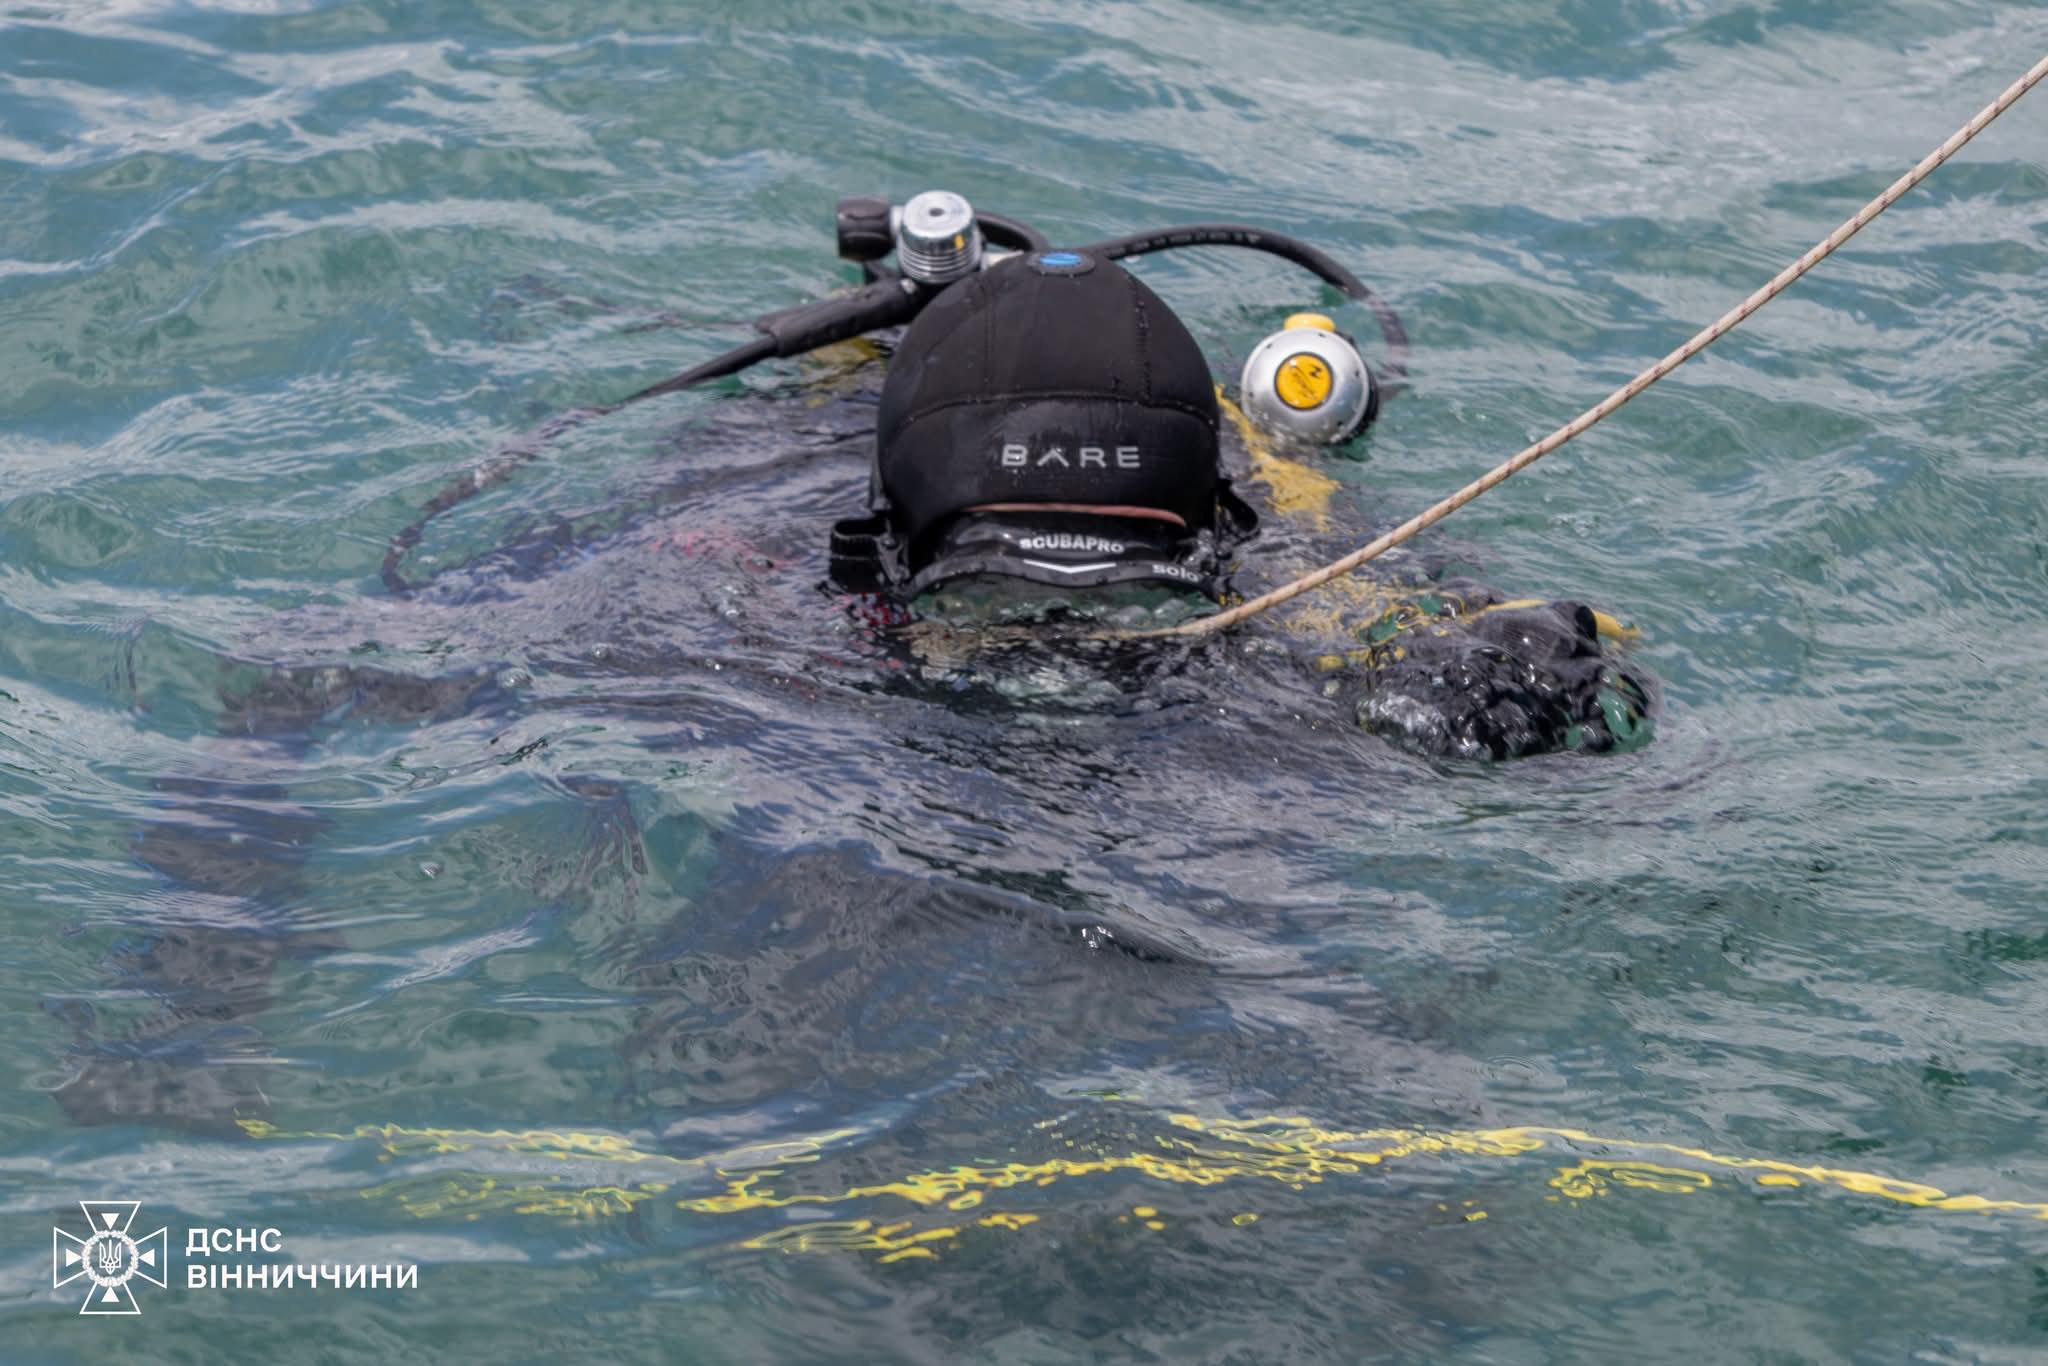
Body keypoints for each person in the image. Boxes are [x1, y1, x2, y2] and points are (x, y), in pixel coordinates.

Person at [824, 245, 1652, 760]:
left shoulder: (1300, 566)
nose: (1066, 654)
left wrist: (1508, 666)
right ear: (881, 552)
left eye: (1137, 601)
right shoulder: (761, 553)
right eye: (991, 597)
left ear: (1224, 546)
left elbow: (1426, 626)